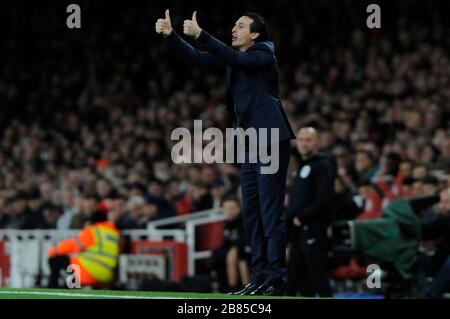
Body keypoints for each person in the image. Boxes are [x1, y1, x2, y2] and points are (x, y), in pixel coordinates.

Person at [155, 10, 295, 296]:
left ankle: (275, 280)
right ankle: (257, 278)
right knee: (252, 215)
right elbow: (197, 58)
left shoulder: (264, 53)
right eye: (233, 25)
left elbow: (238, 59)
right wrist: (173, 36)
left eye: (241, 26)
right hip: (248, 144)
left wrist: (203, 35)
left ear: (255, 34)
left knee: (270, 215)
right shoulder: (234, 58)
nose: (234, 29)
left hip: (270, 140)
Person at [286, 127, 336, 297]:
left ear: (317, 142)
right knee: (296, 275)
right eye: (301, 140)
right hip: (299, 229)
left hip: (313, 226)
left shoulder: (323, 165)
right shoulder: (303, 167)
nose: (304, 144)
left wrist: (302, 216)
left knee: (316, 273)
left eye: (308, 140)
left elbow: (325, 197)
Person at [47, 210, 120, 288]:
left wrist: (52, 251)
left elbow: (72, 245)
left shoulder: (93, 231)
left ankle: (52, 287)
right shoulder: (114, 234)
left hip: (89, 272)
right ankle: (71, 286)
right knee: (77, 261)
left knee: (56, 258)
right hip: (107, 275)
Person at [210, 196, 250, 292]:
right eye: (227, 209)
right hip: (232, 252)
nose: (230, 211)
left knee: (236, 256)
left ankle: (245, 288)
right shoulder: (227, 223)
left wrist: (235, 249)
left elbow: (246, 241)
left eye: (232, 208)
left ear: (239, 208)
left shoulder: (245, 222)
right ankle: (229, 289)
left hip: (246, 251)